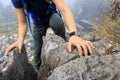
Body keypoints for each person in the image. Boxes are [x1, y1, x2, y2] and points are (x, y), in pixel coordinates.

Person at [6, 0, 93, 70]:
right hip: (38, 22)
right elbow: (22, 22)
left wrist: (74, 35)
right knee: (37, 51)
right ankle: (38, 71)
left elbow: (64, 10)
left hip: (51, 15)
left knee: (58, 23)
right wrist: (20, 39)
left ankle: (64, 47)